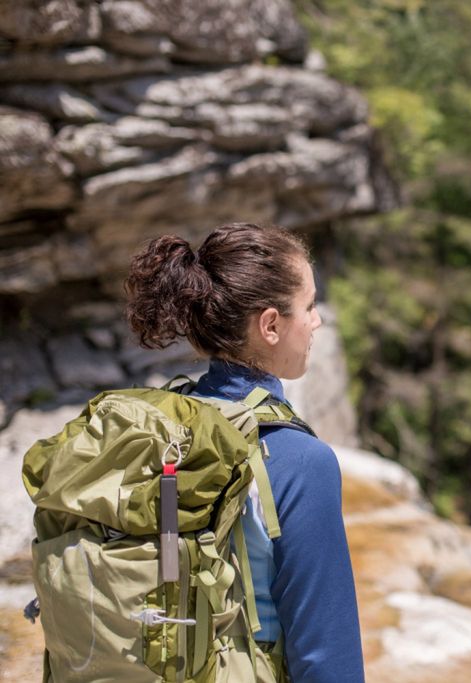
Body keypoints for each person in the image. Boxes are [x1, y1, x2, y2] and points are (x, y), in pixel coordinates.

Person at [123, 222, 364, 682]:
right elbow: (326, 655)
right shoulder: (297, 459)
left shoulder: (162, 427)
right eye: (309, 306)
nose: (316, 320)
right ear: (271, 325)